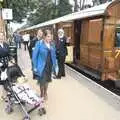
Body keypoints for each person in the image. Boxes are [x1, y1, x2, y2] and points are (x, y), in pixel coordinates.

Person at [32, 30, 57, 100]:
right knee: (42, 81)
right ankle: (42, 93)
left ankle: (45, 92)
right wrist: (35, 66)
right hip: (41, 66)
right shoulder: (39, 43)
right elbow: (34, 56)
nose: (50, 38)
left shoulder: (52, 44)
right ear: (44, 36)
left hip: (49, 65)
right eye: (48, 36)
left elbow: (54, 55)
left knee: (47, 80)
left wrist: (55, 65)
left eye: (51, 37)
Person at [0, 32, 9, 100]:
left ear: (4, 37)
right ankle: (3, 94)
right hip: (0, 65)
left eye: (2, 36)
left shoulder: (6, 44)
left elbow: (9, 54)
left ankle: (7, 93)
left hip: (6, 63)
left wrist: (11, 60)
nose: (1, 37)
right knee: (1, 80)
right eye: (0, 36)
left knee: (7, 78)